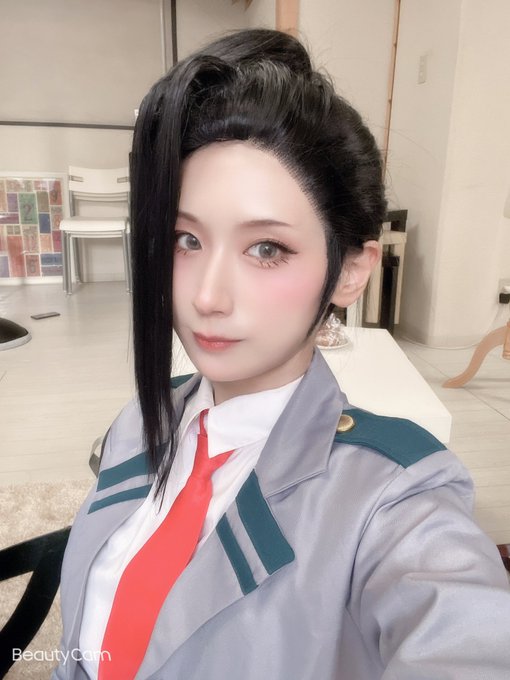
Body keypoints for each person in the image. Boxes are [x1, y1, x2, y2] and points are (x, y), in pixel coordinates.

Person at [53, 29, 510, 680]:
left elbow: (464, 636)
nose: (207, 297)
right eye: (185, 240)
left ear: (350, 271)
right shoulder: (138, 423)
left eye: (266, 249)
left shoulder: (391, 499)